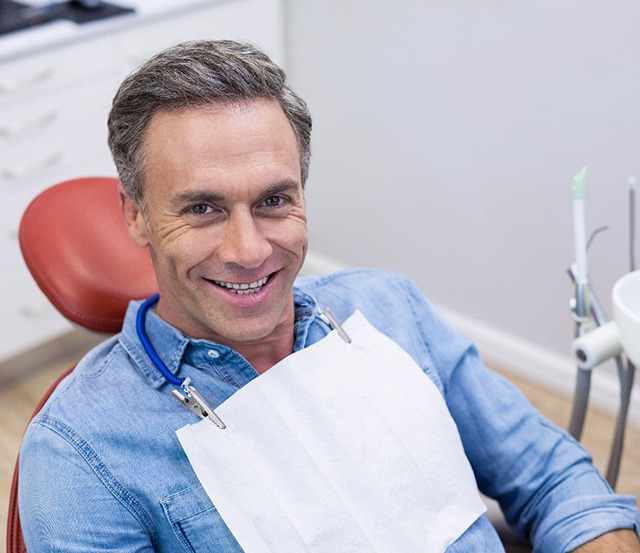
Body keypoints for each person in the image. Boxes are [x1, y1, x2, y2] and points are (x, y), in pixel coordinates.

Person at [18, 39, 640, 552]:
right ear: (136, 216)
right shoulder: (81, 452)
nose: (249, 249)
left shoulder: (390, 309)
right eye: (203, 208)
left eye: (274, 202)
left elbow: (555, 478)